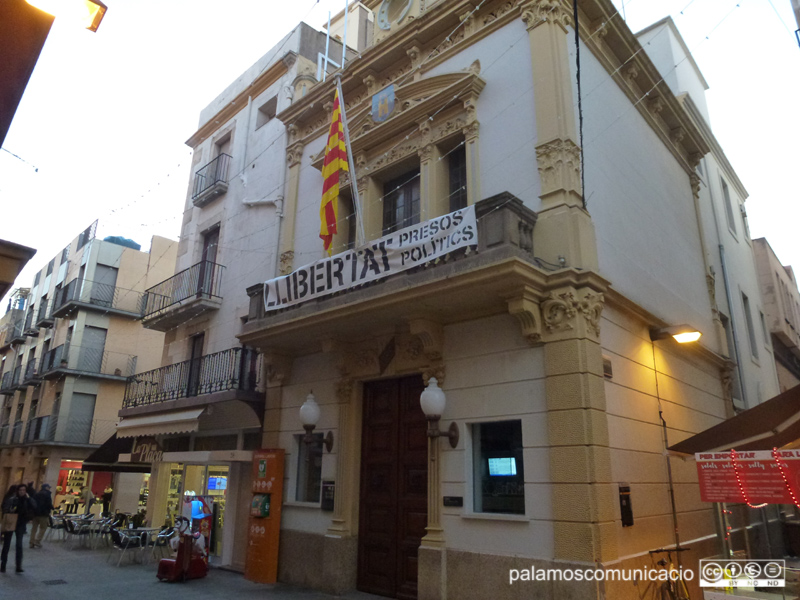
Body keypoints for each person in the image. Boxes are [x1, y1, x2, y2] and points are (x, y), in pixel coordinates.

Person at [1, 484, 36, 573]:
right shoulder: (12, 499)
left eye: (24, 490)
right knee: (6, 544)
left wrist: (29, 499)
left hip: (21, 524)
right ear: (17, 490)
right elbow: (5, 508)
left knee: (19, 545)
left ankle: (18, 565)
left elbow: (34, 506)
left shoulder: (27, 499)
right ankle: (3, 565)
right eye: (20, 490)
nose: (22, 492)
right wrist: (10, 510)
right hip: (11, 522)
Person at [29, 483, 53, 549]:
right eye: (48, 487)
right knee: (43, 528)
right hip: (44, 514)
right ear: (46, 487)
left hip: (35, 513)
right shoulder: (47, 494)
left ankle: (31, 542)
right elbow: (49, 504)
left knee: (34, 528)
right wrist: (52, 508)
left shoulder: (37, 494)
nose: (49, 488)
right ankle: (37, 541)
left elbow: (33, 502)